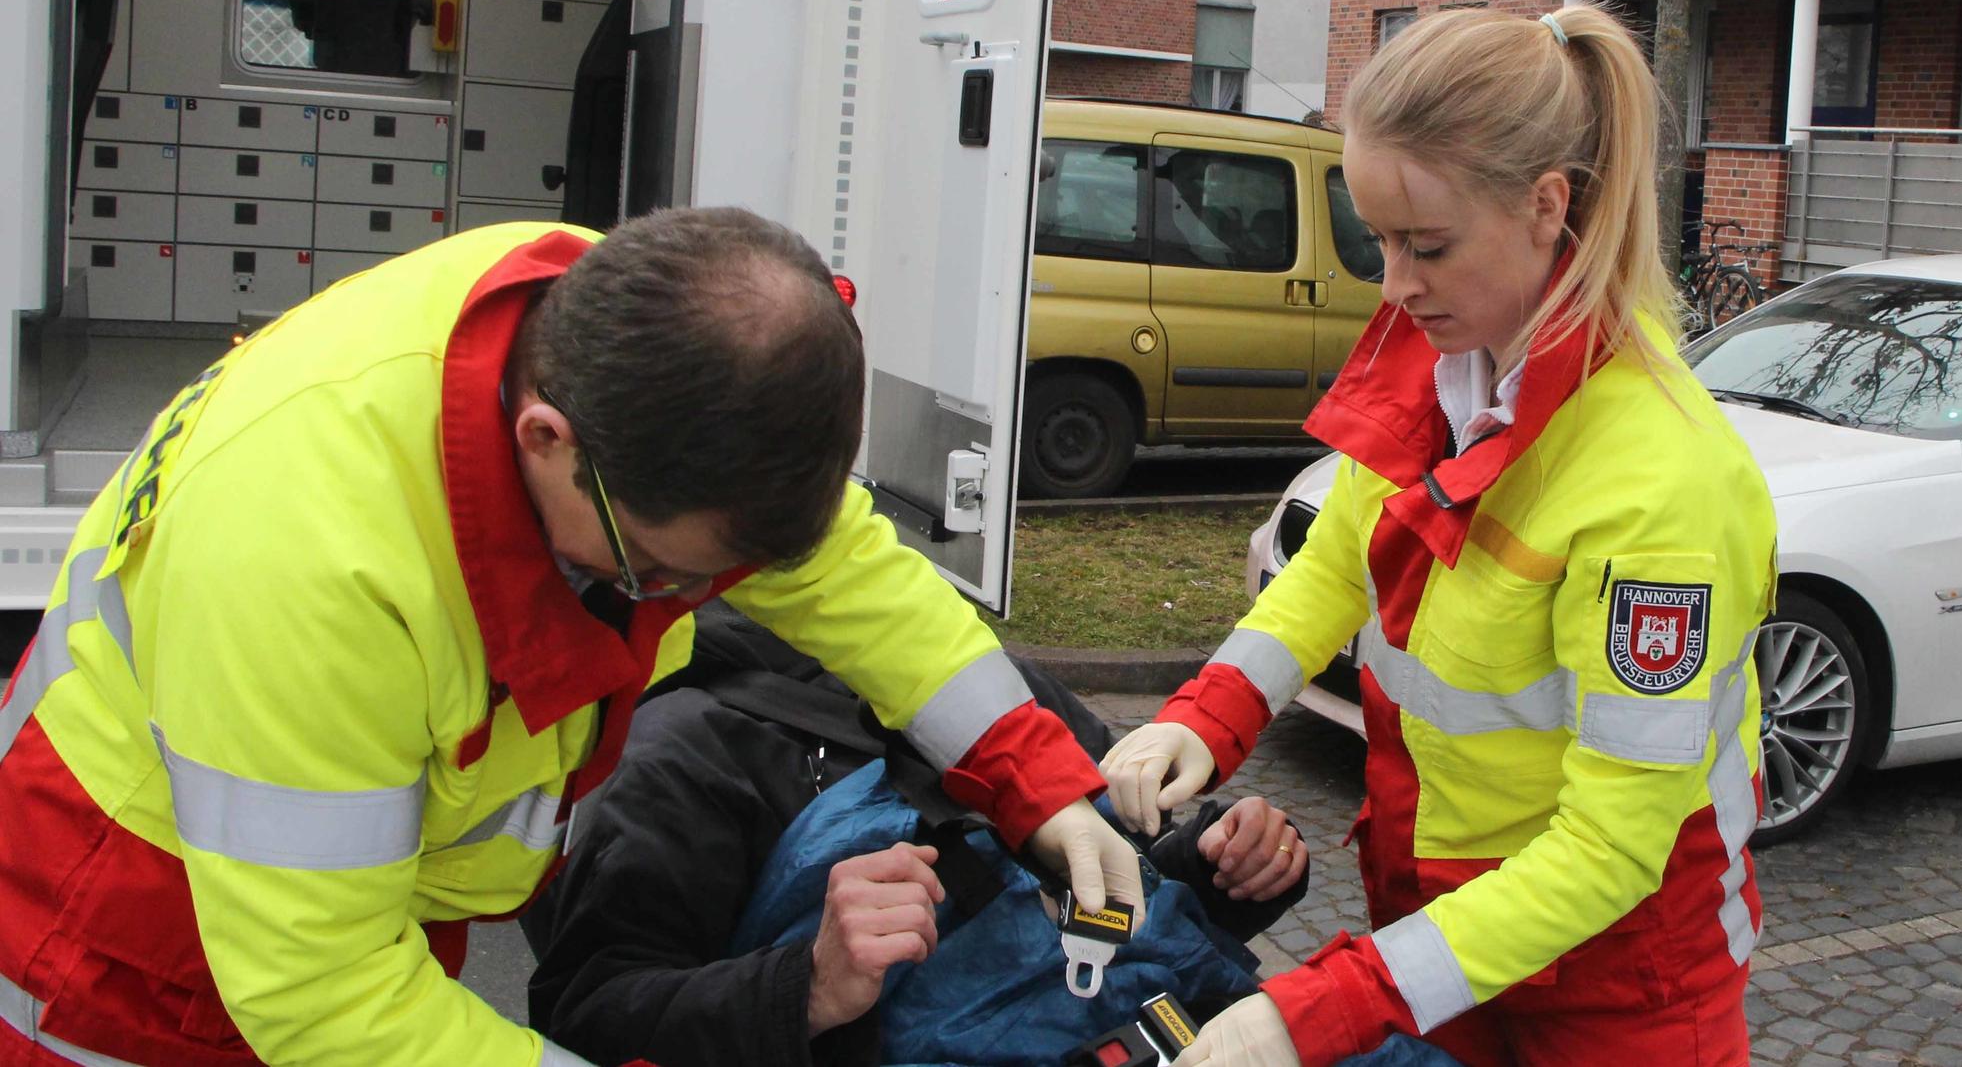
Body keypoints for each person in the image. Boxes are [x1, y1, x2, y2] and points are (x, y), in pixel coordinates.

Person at [0, 209, 1143, 1066]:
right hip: (129, 960)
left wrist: (1039, 784)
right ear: (547, 439)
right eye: (664, 569)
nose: (678, 599)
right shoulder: (312, 562)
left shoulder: (629, 341)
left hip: (349, 914)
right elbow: (329, 1001)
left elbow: (845, 576)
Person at [1102, 6, 1778, 1067]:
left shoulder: (1659, 485)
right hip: (1449, 933)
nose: (1394, 284)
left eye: (1427, 245)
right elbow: (1336, 565)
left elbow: (1611, 852)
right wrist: (1207, 714)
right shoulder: (1450, 354)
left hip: (1622, 986)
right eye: (1378, 238)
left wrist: (1317, 1009)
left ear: (1548, 207)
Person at [524, 604, 1313, 1066]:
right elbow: (586, 1010)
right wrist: (809, 987)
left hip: (1193, 1027)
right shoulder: (679, 752)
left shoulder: (977, 674)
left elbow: (1112, 871)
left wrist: (1216, 867)